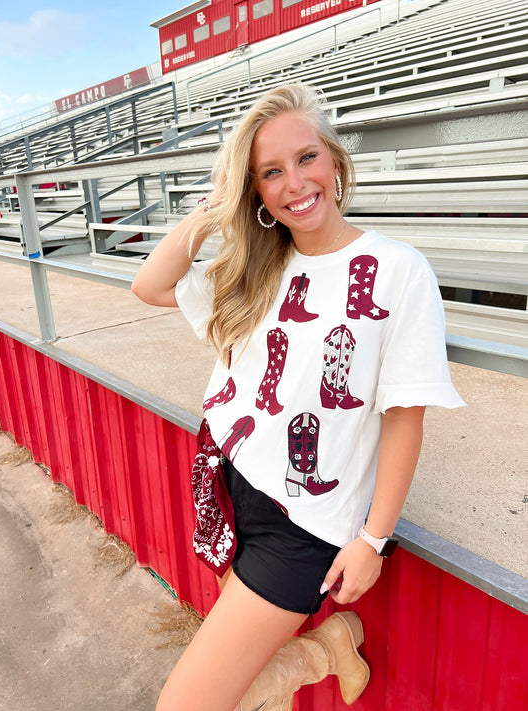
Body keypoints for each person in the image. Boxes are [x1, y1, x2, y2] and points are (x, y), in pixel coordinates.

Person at [132, 83, 464, 711]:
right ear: (255, 191)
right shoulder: (256, 266)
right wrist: (213, 211)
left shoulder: (399, 269)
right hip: (229, 476)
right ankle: (328, 647)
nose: (294, 182)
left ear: (335, 161)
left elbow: (404, 416)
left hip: (308, 523)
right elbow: (149, 285)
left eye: (306, 158)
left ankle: (325, 646)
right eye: (270, 172)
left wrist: (372, 540)